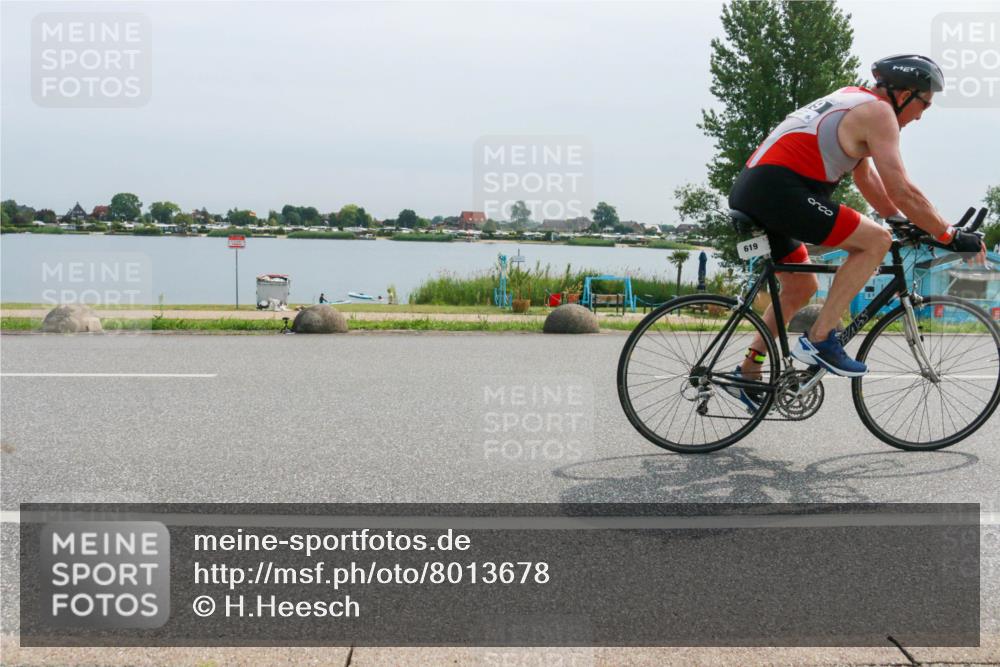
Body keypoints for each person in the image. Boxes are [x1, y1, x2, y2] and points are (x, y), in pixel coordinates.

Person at [725, 54, 986, 408]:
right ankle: (819, 337)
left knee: (801, 285)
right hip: (783, 190)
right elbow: (901, 188)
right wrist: (949, 235)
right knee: (874, 242)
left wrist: (897, 219)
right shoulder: (880, 113)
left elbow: (867, 178)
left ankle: (747, 373)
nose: (921, 115)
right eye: (923, 103)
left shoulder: (853, 99)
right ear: (905, 92)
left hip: (760, 187)